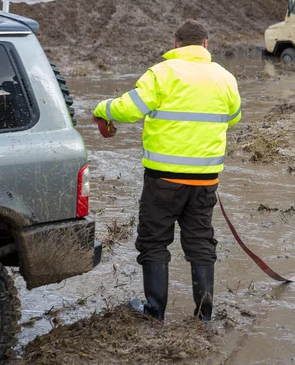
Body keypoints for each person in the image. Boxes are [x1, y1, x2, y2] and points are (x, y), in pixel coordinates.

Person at [92, 19, 241, 321]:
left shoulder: (161, 73)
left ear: (175, 44)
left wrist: (102, 108)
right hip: (205, 182)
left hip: (163, 181)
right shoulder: (225, 77)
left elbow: (128, 109)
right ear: (205, 45)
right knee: (200, 244)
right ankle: (204, 315)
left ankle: (154, 312)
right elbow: (234, 117)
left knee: (154, 242)